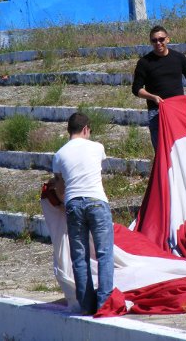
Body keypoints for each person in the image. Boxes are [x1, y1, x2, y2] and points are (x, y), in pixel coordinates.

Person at [52, 112, 113, 315]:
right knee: (104, 253)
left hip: (73, 204)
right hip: (96, 201)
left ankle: (86, 305)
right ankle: (104, 303)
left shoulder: (59, 154)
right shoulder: (97, 147)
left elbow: (60, 188)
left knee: (79, 257)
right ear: (86, 129)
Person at [132, 25, 186, 150]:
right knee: (162, 150)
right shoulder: (144, 62)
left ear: (168, 39)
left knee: (181, 147)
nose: (158, 43)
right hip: (157, 111)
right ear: (151, 42)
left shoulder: (179, 57)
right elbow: (136, 89)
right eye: (154, 40)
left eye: (161, 39)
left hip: (178, 109)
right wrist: (153, 97)